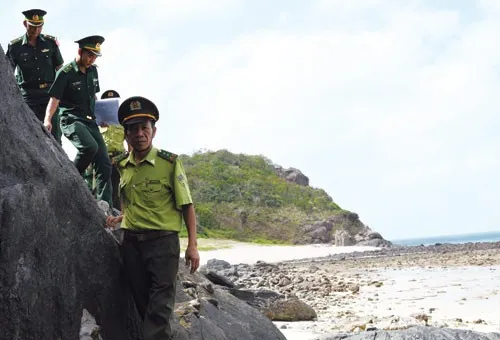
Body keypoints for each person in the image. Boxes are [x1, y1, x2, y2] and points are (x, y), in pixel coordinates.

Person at [105, 96, 200, 340]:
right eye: (133, 129)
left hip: (163, 245)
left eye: (144, 128)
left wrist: (192, 246)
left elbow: (187, 205)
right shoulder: (122, 165)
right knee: (143, 306)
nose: (139, 134)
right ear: (126, 135)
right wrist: (122, 217)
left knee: (159, 311)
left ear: (153, 131)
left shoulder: (169, 163)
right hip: (132, 245)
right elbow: (129, 199)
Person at [44, 35, 112, 206]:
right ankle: (72, 179)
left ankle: (105, 205)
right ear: (80, 51)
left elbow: (93, 96)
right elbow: (54, 100)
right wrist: (47, 120)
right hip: (71, 120)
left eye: (95, 56)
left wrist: (103, 116)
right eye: (90, 55)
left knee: (104, 163)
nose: (92, 59)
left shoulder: (93, 71)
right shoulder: (65, 72)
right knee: (90, 147)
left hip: (90, 121)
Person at [6, 9, 64, 144]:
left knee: (55, 137)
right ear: (25, 24)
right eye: (33, 26)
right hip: (28, 97)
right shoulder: (15, 46)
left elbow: (60, 69)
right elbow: (8, 73)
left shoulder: (50, 43)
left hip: (49, 95)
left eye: (39, 26)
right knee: (31, 138)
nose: (36, 30)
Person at [86, 89, 126, 209]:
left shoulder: (124, 124)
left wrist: (117, 159)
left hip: (118, 161)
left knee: (117, 193)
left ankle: (116, 218)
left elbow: (130, 150)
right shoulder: (95, 123)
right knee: (97, 191)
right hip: (100, 159)